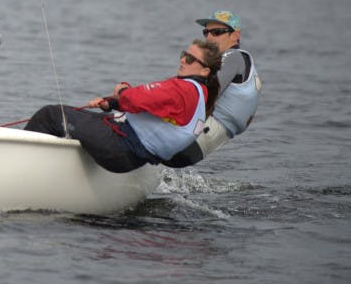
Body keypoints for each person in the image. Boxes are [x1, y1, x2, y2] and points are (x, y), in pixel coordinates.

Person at [24, 40, 222, 173]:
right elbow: (152, 106)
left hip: (120, 148)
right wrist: (112, 103)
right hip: (132, 153)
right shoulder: (199, 94)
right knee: (72, 116)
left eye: (189, 58)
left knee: (50, 115)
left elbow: (137, 98)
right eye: (183, 54)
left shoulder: (183, 89)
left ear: (204, 70)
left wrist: (122, 92)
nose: (182, 60)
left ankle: (21, 169)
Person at [165, 10, 262, 168]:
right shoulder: (235, 63)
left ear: (235, 36)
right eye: (206, 32)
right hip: (203, 143)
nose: (209, 37)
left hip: (197, 135)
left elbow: (207, 91)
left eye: (217, 32)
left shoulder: (233, 57)